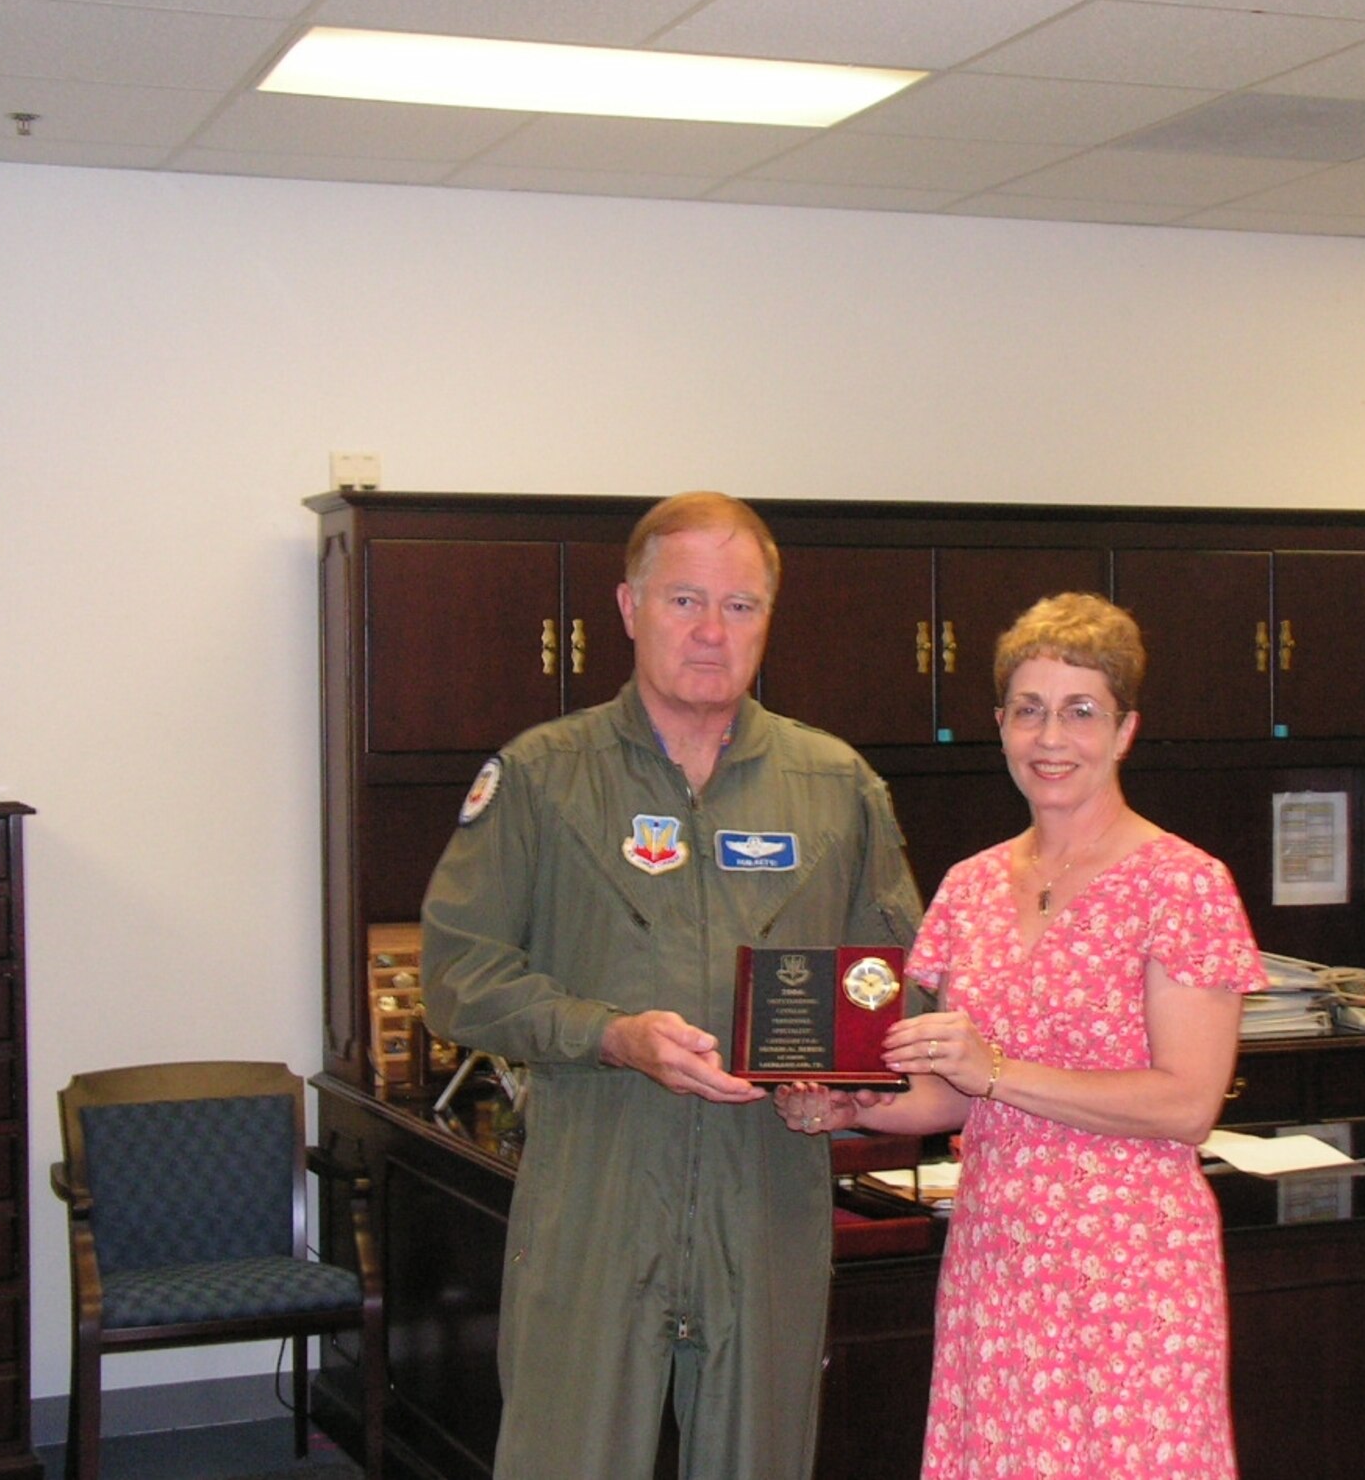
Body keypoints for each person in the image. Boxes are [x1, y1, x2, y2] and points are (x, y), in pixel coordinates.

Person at [420, 491, 923, 1480]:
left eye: (739, 606)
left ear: (768, 621)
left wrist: (855, 1082)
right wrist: (612, 1036)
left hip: (766, 1199)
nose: (709, 631)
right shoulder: (540, 778)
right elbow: (457, 978)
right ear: (626, 607)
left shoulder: (835, 787)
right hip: (596, 1195)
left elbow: (894, 987)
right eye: (683, 600)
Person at [776, 591, 1267, 1480]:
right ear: (999, 725)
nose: (1052, 738)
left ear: (1124, 732)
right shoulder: (968, 885)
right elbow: (951, 1091)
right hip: (996, 1262)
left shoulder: (1184, 885)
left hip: (1132, 1277)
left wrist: (996, 1070)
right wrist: (848, 1103)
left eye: (1081, 712)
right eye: (1030, 711)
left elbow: (1186, 1103)